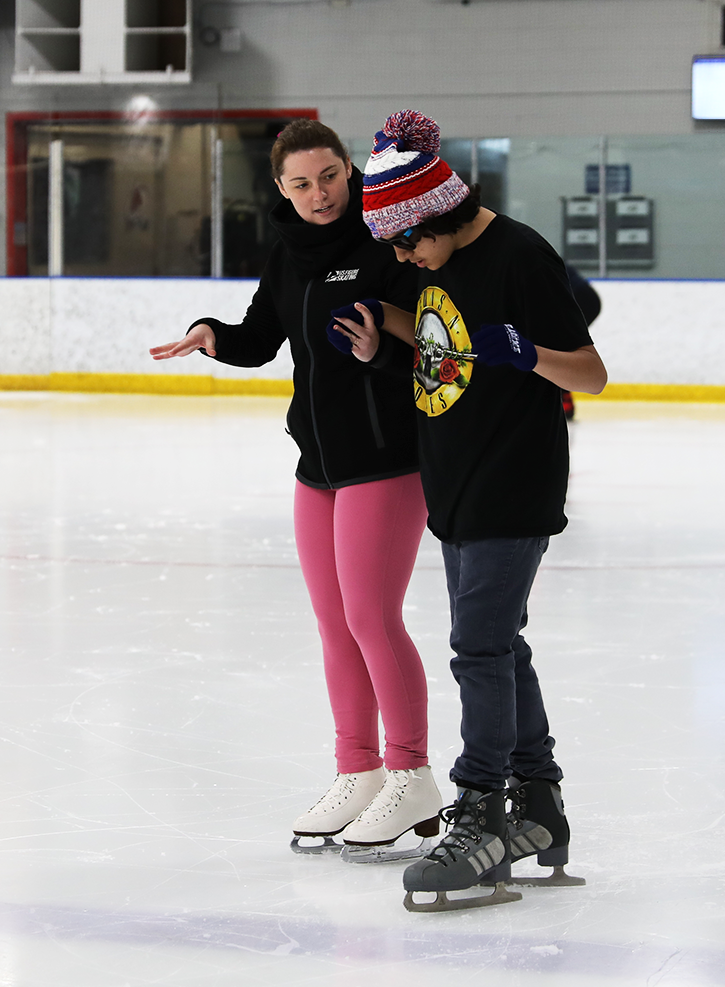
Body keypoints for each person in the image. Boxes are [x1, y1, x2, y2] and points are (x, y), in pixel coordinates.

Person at [330, 110, 607, 909]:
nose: (402, 258)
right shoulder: (431, 261)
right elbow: (444, 352)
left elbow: (589, 375)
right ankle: (541, 807)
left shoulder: (519, 256)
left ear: (438, 214)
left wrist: (528, 354)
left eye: (407, 242)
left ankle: (482, 810)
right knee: (500, 645)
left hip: (511, 479)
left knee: (477, 647)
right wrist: (380, 342)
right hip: (451, 480)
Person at [149, 119, 442, 862]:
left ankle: (410, 772)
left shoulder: (389, 242)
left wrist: (383, 354)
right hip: (317, 468)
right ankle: (358, 770)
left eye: (329, 177)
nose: (318, 194)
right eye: (300, 183)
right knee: (334, 624)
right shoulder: (288, 252)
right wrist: (213, 333)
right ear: (280, 188)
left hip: (386, 459)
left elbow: (439, 351)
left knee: (373, 617)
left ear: (350, 171)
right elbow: (260, 334)